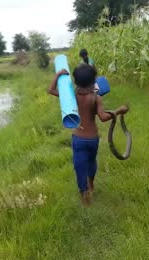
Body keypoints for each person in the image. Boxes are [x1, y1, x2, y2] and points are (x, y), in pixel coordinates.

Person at [48, 64, 129, 206]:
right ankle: (91, 184)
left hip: (79, 139)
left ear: (76, 82)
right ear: (93, 82)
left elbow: (51, 90)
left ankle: (84, 195)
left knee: (79, 167)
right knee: (92, 162)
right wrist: (118, 111)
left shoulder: (72, 94)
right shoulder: (95, 98)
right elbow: (103, 117)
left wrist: (59, 73)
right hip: (93, 139)